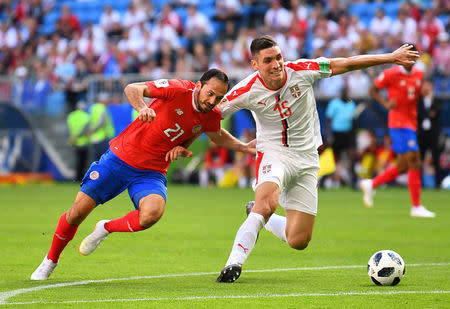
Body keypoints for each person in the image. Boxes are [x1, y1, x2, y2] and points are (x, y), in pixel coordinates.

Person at [215, 35, 420, 283]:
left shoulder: (302, 70)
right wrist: (189, 143)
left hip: (308, 158)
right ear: (255, 64)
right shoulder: (245, 90)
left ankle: (256, 215)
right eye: (268, 60)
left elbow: (347, 63)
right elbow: (207, 115)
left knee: (298, 240)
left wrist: (391, 57)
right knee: (266, 204)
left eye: (279, 57)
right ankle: (233, 264)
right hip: (273, 154)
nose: (277, 64)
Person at [30, 69, 256, 280]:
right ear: (198, 85)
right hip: (119, 159)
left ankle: (106, 228)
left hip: (151, 171)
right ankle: (51, 260)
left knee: (151, 214)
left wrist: (244, 147)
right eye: (210, 94)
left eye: (218, 98)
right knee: (76, 214)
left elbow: (215, 134)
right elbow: (132, 88)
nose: (212, 101)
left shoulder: (211, 114)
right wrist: (142, 108)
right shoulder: (177, 88)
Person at [360, 47, 436, 218]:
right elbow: (373, 90)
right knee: (415, 159)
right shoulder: (391, 74)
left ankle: (372, 183)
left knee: (403, 165)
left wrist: (423, 94)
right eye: (407, 57)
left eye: (413, 57)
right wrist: (385, 103)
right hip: (398, 123)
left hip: (411, 123)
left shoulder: (418, 75)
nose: (410, 60)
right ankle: (416, 206)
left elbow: (414, 95)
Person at [325, 85, 357, 188]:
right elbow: (328, 121)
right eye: (344, 92)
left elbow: (353, 122)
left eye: (347, 92)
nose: (345, 94)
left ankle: (353, 181)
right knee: (333, 159)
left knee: (351, 157)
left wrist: (353, 138)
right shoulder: (334, 104)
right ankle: (326, 180)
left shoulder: (352, 104)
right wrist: (328, 135)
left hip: (347, 134)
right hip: (336, 134)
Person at [417, 80, 442, 189]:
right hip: (422, 134)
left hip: (433, 134)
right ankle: (418, 183)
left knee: (435, 157)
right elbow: (419, 115)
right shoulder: (419, 101)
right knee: (420, 158)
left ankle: (437, 183)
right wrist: (429, 114)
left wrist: (430, 111)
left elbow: (435, 113)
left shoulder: (436, 101)